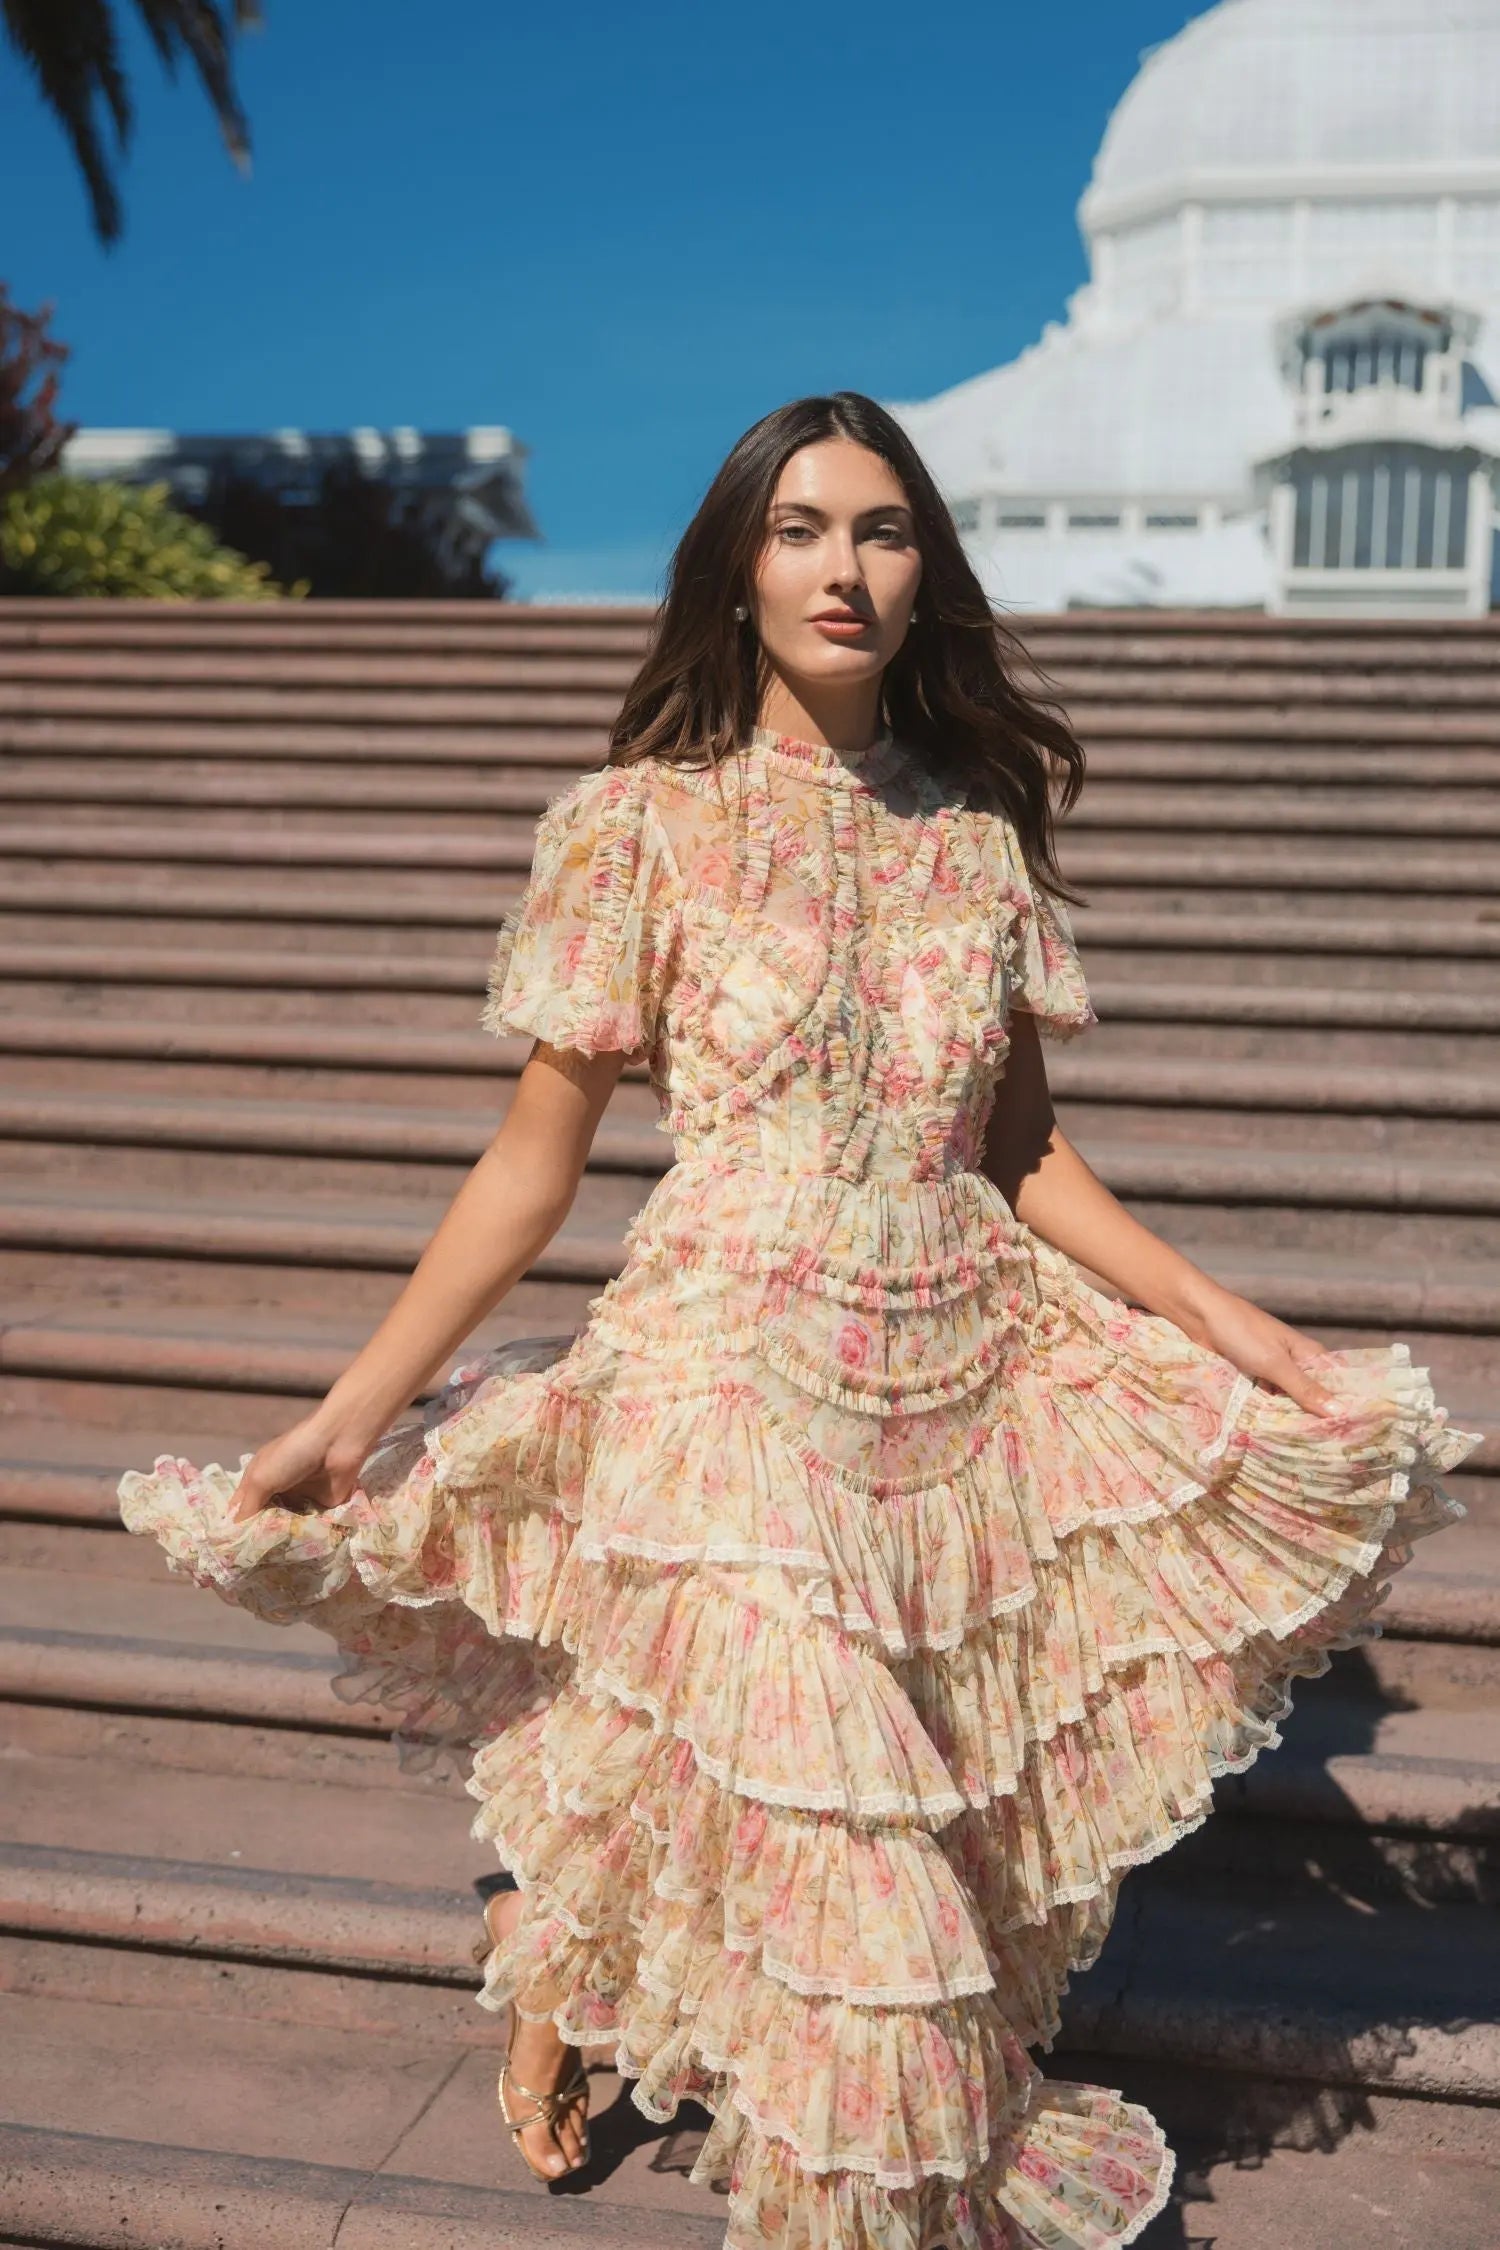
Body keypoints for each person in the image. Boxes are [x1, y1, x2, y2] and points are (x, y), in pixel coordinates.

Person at [118, 390, 1480, 2250]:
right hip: (728, 1352)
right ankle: (707, 2068)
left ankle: (556, 1949)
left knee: (903, 1807)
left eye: (886, 531)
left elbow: (1023, 1152)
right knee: (825, 1809)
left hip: (952, 1359)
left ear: (929, 577)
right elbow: (533, 1166)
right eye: (802, 529)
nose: (846, 567)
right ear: (738, 570)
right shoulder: (640, 830)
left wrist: (1232, 1323)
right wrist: (355, 1413)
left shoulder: (977, 840)